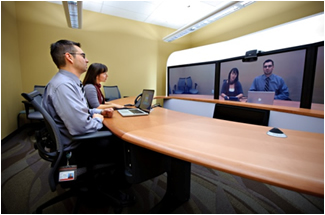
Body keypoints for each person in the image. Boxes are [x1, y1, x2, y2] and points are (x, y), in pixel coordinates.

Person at [42, 39, 134, 204]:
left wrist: (97, 111)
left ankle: (112, 180)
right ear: (69, 57)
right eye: (83, 55)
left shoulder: (69, 82)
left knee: (116, 136)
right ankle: (113, 186)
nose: (87, 60)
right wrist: (99, 118)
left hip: (72, 139)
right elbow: (81, 127)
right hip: (77, 144)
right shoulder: (63, 86)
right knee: (123, 141)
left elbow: (82, 111)